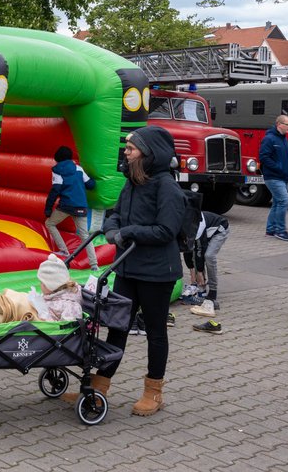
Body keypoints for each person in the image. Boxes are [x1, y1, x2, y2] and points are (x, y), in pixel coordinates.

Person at [98, 125, 183, 416]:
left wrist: (128, 232)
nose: (126, 152)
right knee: (117, 327)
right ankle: (99, 386)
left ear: (148, 154)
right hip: (128, 267)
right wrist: (111, 229)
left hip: (157, 273)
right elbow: (115, 215)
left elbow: (166, 230)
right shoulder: (132, 182)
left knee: (155, 332)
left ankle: (153, 392)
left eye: (131, 148)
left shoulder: (166, 186)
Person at [42, 146, 99, 270]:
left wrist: (48, 209)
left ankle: (64, 251)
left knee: (50, 223)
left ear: (57, 158)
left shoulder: (57, 170)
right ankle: (94, 264)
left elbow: (55, 191)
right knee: (85, 236)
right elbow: (90, 185)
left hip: (66, 206)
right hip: (81, 207)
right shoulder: (79, 169)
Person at [185, 210, 230, 325]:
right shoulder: (182, 224)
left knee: (209, 256)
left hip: (220, 230)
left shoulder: (198, 225)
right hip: (205, 233)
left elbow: (200, 250)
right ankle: (199, 288)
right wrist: (192, 271)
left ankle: (213, 291)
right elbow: (186, 249)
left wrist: (199, 272)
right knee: (193, 252)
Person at [259, 114, 288, 242]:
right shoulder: (269, 139)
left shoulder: (283, 139)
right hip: (274, 177)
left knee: (277, 203)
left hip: (283, 177)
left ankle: (270, 230)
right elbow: (264, 157)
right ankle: (280, 231)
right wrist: (278, 168)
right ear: (279, 124)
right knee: (284, 201)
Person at [29, 252, 83, 322]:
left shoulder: (71, 306)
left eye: (42, 282)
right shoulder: (51, 295)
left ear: (50, 285)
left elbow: (67, 326)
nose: (40, 285)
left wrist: (45, 319)